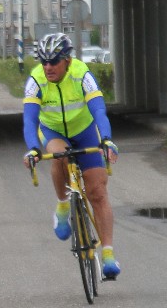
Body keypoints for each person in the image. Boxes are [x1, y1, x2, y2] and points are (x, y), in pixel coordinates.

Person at [22, 32, 121, 278]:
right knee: (60, 155)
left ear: (67, 60)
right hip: (53, 130)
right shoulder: (36, 79)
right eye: (44, 61)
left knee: (98, 192)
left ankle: (108, 255)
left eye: (54, 61)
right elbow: (30, 119)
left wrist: (106, 139)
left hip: (85, 130)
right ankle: (63, 205)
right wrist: (33, 148)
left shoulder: (82, 74)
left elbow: (99, 110)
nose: (48, 67)